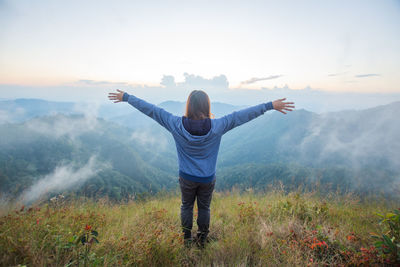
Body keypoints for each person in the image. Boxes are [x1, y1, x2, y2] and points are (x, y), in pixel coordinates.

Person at [108, 89, 294, 248]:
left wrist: (127, 97)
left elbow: (152, 110)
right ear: (207, 107)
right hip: (207, 178)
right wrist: (269, 105)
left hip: (186, 177)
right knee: (204, 208)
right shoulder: (218, 126)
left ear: (189, 106)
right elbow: (242, 116)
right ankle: (202, 239)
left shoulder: (175, 124)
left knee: (186, 206)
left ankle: (186, 239)